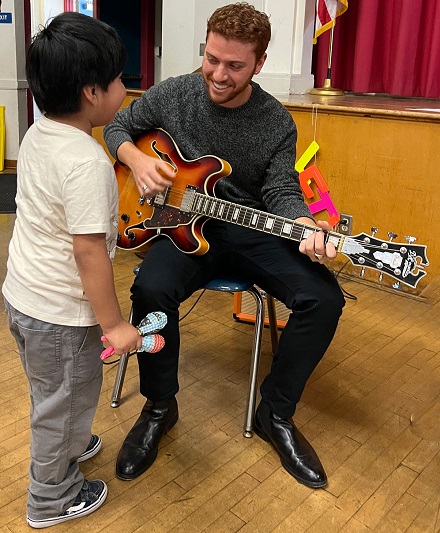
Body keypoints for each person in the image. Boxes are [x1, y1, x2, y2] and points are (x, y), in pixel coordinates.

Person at [104, 2, 345, 489]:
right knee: (150, 289)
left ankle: (275, 414)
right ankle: (159, 405)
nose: (217, 73)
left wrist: (304, 224)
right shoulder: (173, 93)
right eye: (210, 58)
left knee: (324, 299)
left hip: (251, 228)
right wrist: (135, 159)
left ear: (259, 64)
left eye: (234, 65)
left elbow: (280, 189)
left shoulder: (276, 121)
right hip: (182, 224)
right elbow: (117, 127)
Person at [2, 12, 142, 529]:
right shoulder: (87, 162)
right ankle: (50, 498)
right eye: (118, 82)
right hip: (60, 314)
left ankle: (75, 439)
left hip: (23, 295)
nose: (124, 91)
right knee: (60, 402)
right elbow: (89, 255)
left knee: (55, 389)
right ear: (91, 93)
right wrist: (115, 326)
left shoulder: (40, 133)